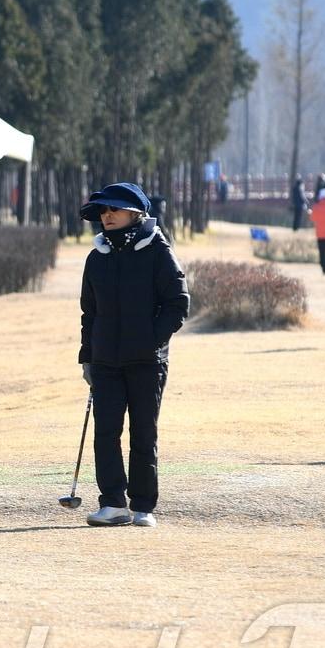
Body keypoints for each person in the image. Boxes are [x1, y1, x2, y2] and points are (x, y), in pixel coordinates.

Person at [77, 182, 189, 528]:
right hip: (106, 362)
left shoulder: (157, 252)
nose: (106, 216)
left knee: (144, 433)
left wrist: (151, 341)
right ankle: (112, 503)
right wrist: (87, 357)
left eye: (114, 210)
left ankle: (142, 505)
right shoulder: (97, 258)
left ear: (136, 213)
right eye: (103, 212)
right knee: (106, 432)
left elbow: (177, 303)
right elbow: (89, 313)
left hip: (147, 362)